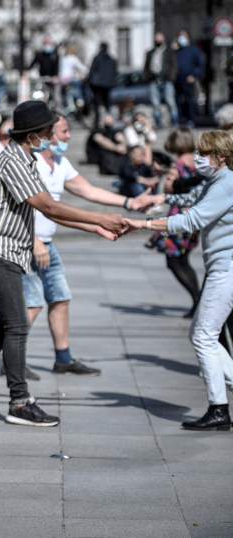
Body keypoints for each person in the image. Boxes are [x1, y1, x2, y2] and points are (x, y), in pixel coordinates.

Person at [0, 101, 126, 426]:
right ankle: (19, 401)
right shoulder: (13, 162)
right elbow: (49, 207)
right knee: (16, 325)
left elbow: (49, 208)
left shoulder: (24, 159)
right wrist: (100, 218)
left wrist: (95, 226)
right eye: (47, 133)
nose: (51, 139)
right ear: (31, 136)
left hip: (6, 253)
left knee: (5, 328)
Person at [22, 112, 154, 377]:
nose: (69, 136)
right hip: (26, 245)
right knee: (32, 305)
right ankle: (9, 361)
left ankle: (63, 359)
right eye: (64, 131)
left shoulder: (59, 162)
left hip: (46, 245)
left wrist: (130, 203)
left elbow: (88, 191)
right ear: (46, 134)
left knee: (60, 298)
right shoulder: (27, 164)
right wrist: (34, 240)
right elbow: (20, 209)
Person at [124, 130, 233, 431]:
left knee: (203, 336)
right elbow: (191, 197)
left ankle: (219, 409)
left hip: (227, 269)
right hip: (223, 269)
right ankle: (220, 405)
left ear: (221, 157)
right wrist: (163, 197)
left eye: (205, 152)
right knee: (200, 334)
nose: (199, 157)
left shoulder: (227, 183)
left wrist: (143, 224)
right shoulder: (220, 180)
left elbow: (191, 220)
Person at [141, 127, 202, 318]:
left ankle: (198, 299)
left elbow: (168, 189)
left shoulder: (177, 164)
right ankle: (198, 300)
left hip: (179, 215)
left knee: (174, 261)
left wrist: (165, 176)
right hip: (195, 215)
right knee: (184, 259)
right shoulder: (199, 161)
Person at [144, 32, 179, 129]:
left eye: (160, 39)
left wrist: (171, 78)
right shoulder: (150, 53)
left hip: (167, 81)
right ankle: (159, 123)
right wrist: (148, 79)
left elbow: (173, 66)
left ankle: (175, 122)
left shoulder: (168, 52)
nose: (158, 41)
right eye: (156, 39)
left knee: (170, 102)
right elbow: (146, 67)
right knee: (155, 104)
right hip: (154, 81)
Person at [174, 30, 204, 127]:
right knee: (178, 101)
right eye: (179, 36)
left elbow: (200, 65)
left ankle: (191, 120)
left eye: (183, 36)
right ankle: (180, 119)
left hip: (189, 80)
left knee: (190, 101)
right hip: (178, 80)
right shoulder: (177, 51)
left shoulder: (194, 50)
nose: (181, 39)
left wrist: (194, 75)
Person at [88, 43, 118, 126]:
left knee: (98, 103)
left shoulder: (97, 58)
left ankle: (98, 121)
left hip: (97, 85)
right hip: (108, 85)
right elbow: (115, 72)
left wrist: (91, 82)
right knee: (107, 103)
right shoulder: (112, 59)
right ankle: (108, 120)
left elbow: (92, 71)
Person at [29, 37, 61, 109]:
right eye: (46, 43)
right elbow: (34, 63)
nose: (47, 45)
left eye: (49, 43)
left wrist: (55, 76)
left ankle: (59, 113)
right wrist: (27, 71)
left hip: (53, 79)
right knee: (39, 95)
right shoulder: (40, 54)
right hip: (43, 78)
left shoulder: (55, 54)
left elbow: (57, 66)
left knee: (56, 97)